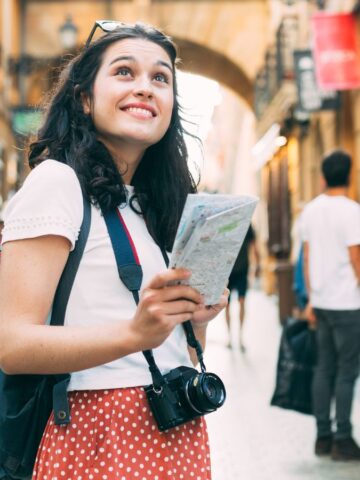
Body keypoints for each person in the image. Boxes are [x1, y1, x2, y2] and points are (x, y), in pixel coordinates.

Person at [0, 21, 229, 479]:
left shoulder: (148, 205)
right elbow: (12, 344)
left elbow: (168, 354)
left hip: (172, 432)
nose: (145, 88)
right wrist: (133, 333)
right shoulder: (57, 182)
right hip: (94, 435)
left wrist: (194, 321)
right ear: (84, 98)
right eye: (125, 72)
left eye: (160, 78)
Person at [302, 149, 360, 461]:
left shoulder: (311, 211)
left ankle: (322, 437)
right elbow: (356, 259)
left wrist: (312, 299)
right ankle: (343, 438)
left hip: (322, 302)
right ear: (349, 174)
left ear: (324, 176)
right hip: (348, 304)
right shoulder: (353, 211)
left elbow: (307, 257)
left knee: (324, 368)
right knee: (347, 372)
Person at [225, 224, 260, 351]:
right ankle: (229, 337)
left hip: (243, 269)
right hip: (227, 271)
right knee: (226, 305)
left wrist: (257, 265)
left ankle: (240, 337)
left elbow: (254, 244)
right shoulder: (226, 223)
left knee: (242, 301)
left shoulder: (247, 224)